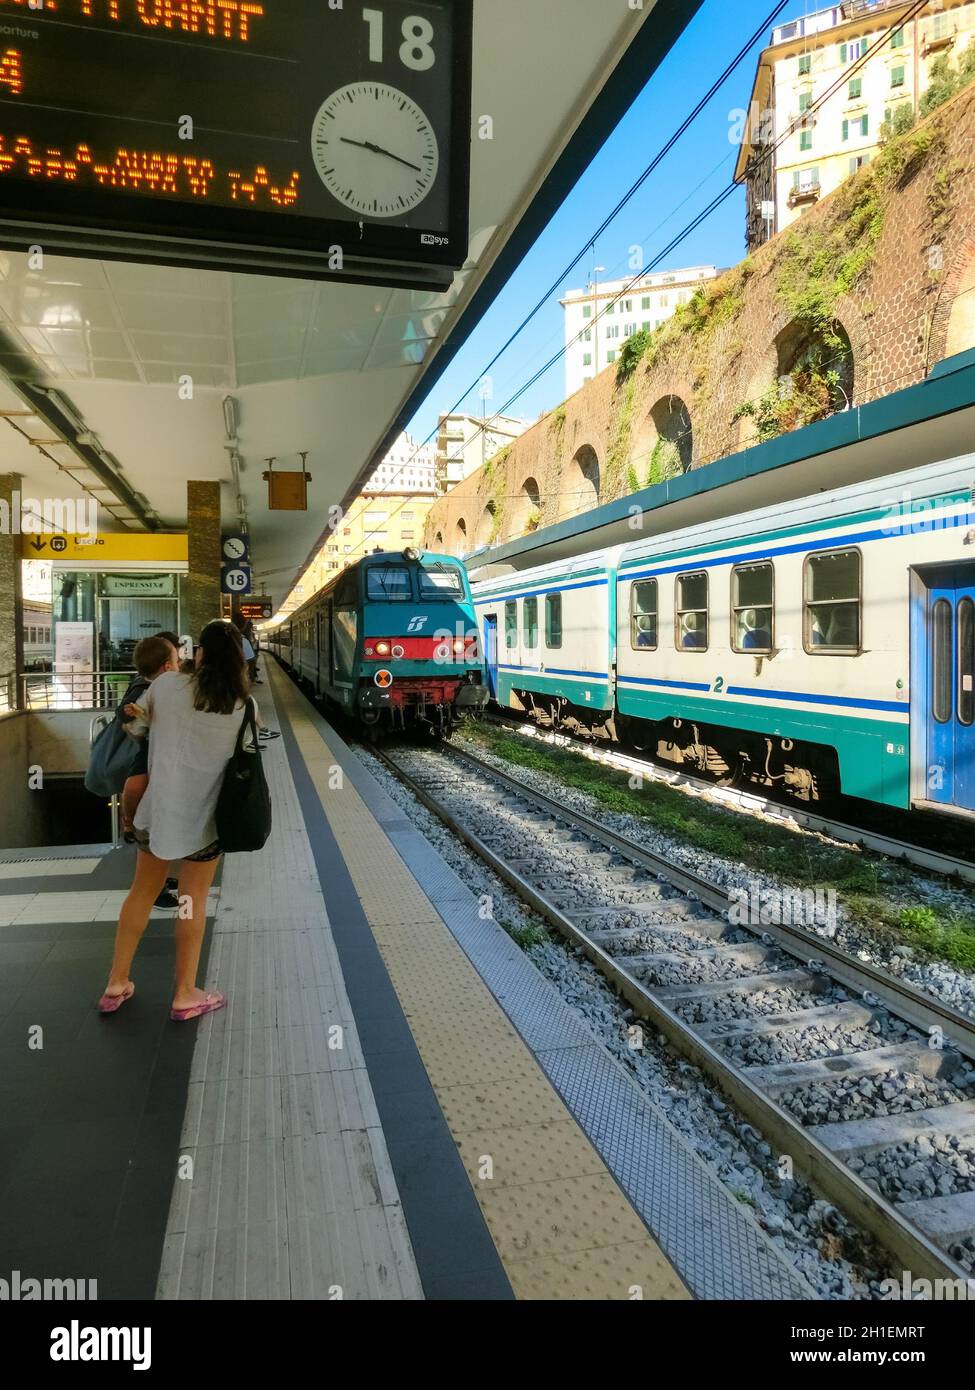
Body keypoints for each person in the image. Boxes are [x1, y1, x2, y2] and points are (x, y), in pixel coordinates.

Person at [98, 619, 257, 1022]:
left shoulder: (166, 686)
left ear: (199, 653)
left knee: (141, 893)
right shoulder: (243, 706)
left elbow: (135, 730)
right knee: (190, 902)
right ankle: (185, 993)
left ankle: (117, 983)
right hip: (204, 823)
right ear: (239, 658)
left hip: (156, 814)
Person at [117, 632, 181, 909]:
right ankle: (156, 891)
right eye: (177, 659)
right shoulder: (146, 691)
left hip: (159, 765)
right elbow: (133, 784)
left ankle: (163, 882)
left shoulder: (151, 686)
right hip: (152, 763)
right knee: (154, 833)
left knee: (161, 830)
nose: (181, 664)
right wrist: (129, 820)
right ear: (167, 666)